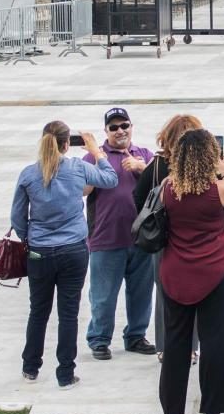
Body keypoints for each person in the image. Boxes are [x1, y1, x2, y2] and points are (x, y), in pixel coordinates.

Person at [12, 122, 117, 387]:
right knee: (68, 313)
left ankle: (30, 368)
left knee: (38, 311)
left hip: (40, 250)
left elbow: (17, 217)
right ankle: (66, 374)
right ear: (66, 143)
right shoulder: (77, 168)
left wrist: (29, 238)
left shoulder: (28, 174)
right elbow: (110, 179)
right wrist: (98, 152)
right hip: (73, 248)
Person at [159, 128, 224, 414]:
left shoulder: (168, 187)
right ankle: (214, 408)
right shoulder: (220, 188)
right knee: (215, 338)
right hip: (214, 270)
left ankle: (172, 408)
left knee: (175, 340)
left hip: (175, 271)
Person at [84, 107, 157, 361]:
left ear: (131, 127)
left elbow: (160, 184)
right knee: (103, 296)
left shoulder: (144, 155)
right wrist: (98, 158)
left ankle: (136, 335)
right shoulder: (94, 157)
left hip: (142, 239)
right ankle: (99, 339)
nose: (120, 131)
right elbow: (83, 189)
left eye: (124, 125)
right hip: (106, 239)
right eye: (113, 127)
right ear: (105, 131)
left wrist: (141, 168)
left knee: (141, 293)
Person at [133, 113, 204, 361]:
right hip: (196, 240)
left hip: (164, 240)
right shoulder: (203, 169)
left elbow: (139, 198)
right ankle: (192, 348)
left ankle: (165, 347)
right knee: (196, 293)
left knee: (164, 293)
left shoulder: (156, 166)